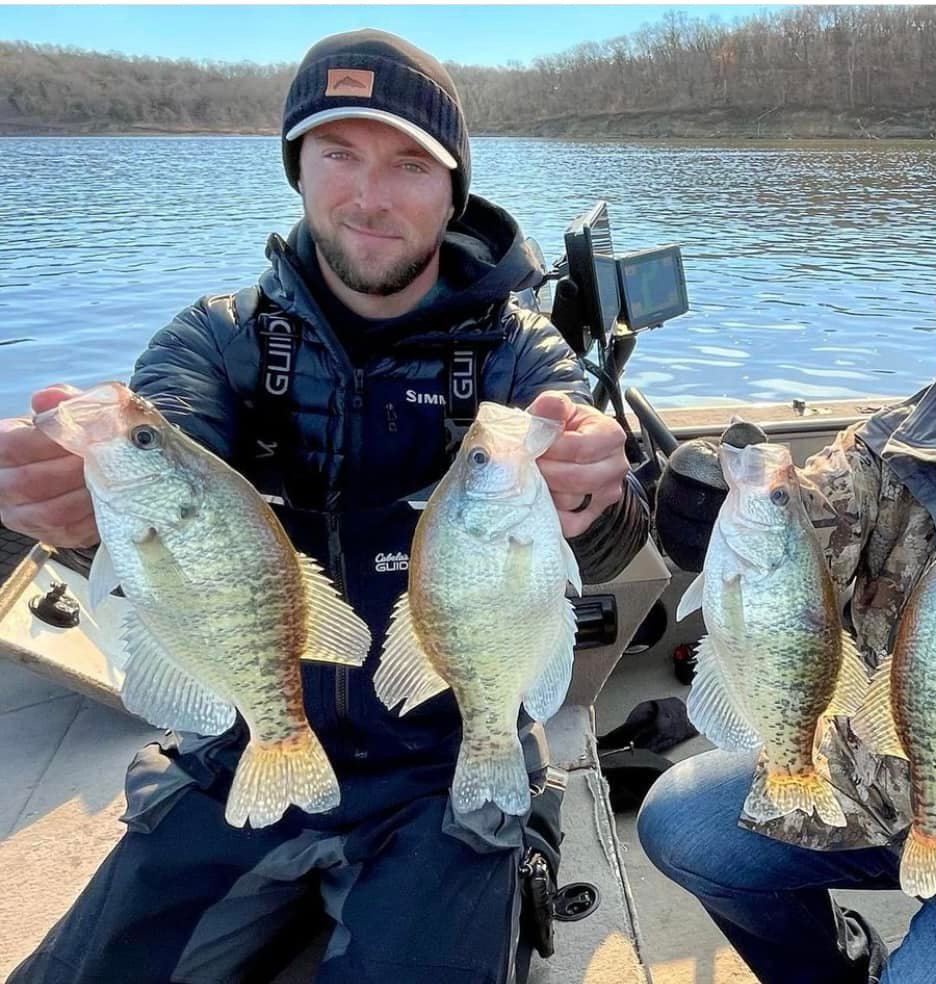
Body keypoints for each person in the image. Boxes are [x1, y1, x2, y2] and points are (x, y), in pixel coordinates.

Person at [0, 29, 649, 983]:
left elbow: (606, 536)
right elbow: (170, 445)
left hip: (439, 764)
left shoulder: (521, 355)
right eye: (337, 154)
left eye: (408, 163)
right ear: (298, 170)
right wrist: (69, 506)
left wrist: (596, 500)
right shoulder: (213, 340)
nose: (369, 196)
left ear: (453, 185)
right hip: (238, 741)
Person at [640, 165, 936, 984]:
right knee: (681, 825)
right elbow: (805, 522)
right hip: (892, 789)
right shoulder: (888, 448)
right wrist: (714, 516)